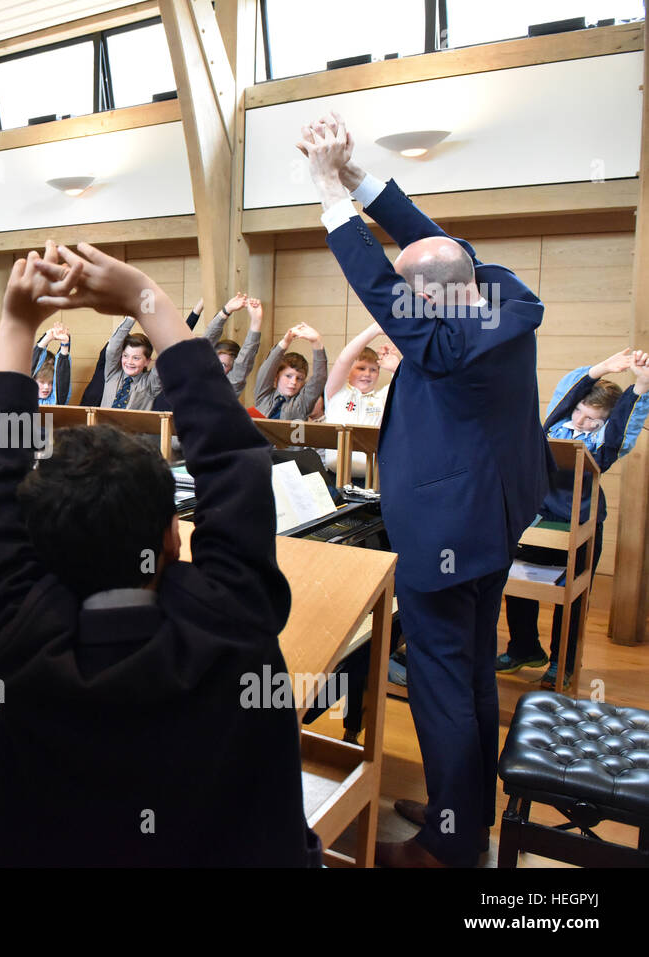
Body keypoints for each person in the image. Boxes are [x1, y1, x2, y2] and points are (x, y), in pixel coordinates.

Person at [0, 241, 315, 866]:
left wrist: (15, 327)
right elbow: (234, 461)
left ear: (38, 547)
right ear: (173, 535)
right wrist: (150, 302)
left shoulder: (17, 625)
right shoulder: (234, 612)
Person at [300, 111, 551, 868]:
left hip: (449, 527)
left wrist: (326, 196)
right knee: (472, 667)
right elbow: (433, 248)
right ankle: (464, 814)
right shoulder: (501, 294)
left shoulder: (442, 345)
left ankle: (451, 845)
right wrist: (356, 177)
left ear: (429, 307)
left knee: (442, 680)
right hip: (498, 515)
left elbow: (385, 289)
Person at [499, 348, 649, 689]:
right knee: (520, 585)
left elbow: (621, 431)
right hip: (538, 518)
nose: (581, 421)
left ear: (604, 422)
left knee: (571, 598)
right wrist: (600, 369)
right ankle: (524, 648)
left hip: (581, 522)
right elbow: (566, 397)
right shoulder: (556, 424)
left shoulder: (602, 443)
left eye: (593, 418)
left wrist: (640, 386)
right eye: (580, 411)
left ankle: (561, 664)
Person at [321, 322, 395, 479]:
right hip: (335, 478)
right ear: (349, 371)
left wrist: (396, 365)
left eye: (373, 370)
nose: (367, 374)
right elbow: (344, 359)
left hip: (372, 480)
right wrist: (374, 330)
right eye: (361, 368)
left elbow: (409, 380)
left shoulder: (381, 398)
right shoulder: (336, 392)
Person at [254, 322, 326, 420]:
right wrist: (285, 342)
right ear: (276, 376)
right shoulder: (264, 396)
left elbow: (319, 378)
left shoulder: (302, 403)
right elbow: (267, 369)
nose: (293, 382)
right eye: (288, 376)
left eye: (299, 378)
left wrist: (316, 343)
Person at [31, 322, 71, 405]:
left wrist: (65, 344)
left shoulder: (53, 401)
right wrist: (47, 338)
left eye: (50, 383)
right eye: (42, 382)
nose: (46, 387)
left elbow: (62, 379)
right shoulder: (22, 398)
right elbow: (27, 373)